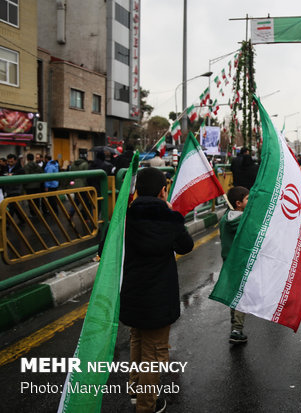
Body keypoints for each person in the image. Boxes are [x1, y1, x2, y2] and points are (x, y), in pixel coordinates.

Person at [120, 167, 194, 413]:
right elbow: (186, 246)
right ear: (163, 191)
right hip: (159, 298)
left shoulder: (125, 216)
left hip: (132, 293)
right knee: (154, 353)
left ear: (138, 190)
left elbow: (105, 246)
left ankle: (135, 390)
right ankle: (146, 405)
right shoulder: (166, 217)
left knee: (137, 340)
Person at [219, 186, 250, 344]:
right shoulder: (241, 220)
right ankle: (237, 329)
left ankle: (234, 323)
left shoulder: (225, 217)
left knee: (234, 293)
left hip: (228, 260)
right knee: (240, 295)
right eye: (247, 199)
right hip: (239, 261)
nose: (249, 201)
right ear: (238, 203)